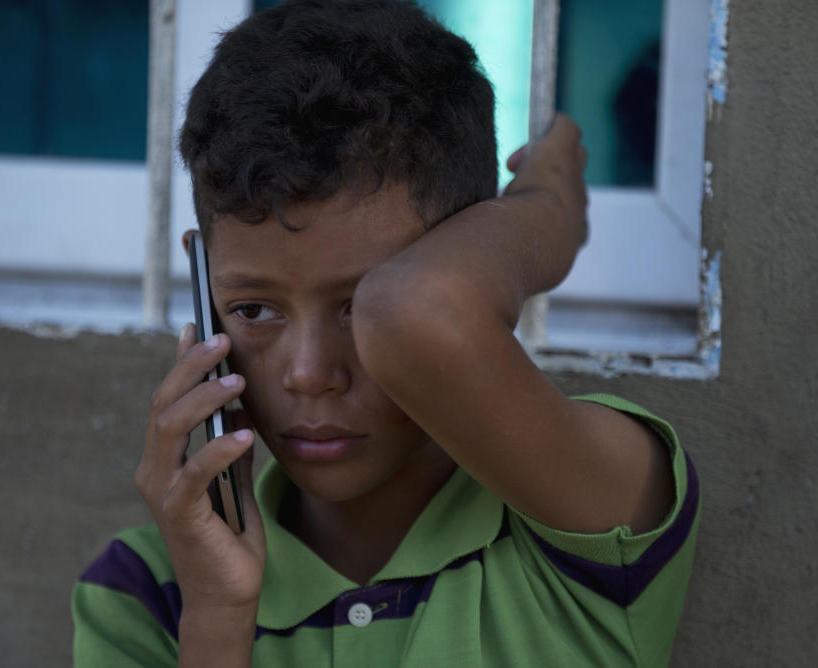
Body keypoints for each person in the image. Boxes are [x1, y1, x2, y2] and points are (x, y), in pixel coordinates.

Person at [72, 1, 700, 666]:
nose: (308, 374)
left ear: (465, 262)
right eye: (254, 309)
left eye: (358, 306)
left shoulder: (588, 516)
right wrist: (219, 615)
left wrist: (548, 201)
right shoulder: (145, 596)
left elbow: (417, 312)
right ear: (202, 282)